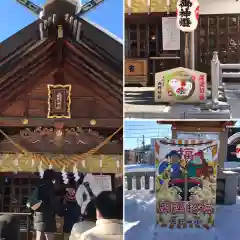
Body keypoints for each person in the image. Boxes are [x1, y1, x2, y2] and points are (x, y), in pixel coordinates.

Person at [27, 169, 57, 240]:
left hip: (38, 213)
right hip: (48, 215)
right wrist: (58, 210)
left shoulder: (38, 184)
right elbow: (52, 201)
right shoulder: (50, 185)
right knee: (49, 237)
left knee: (38, 237)